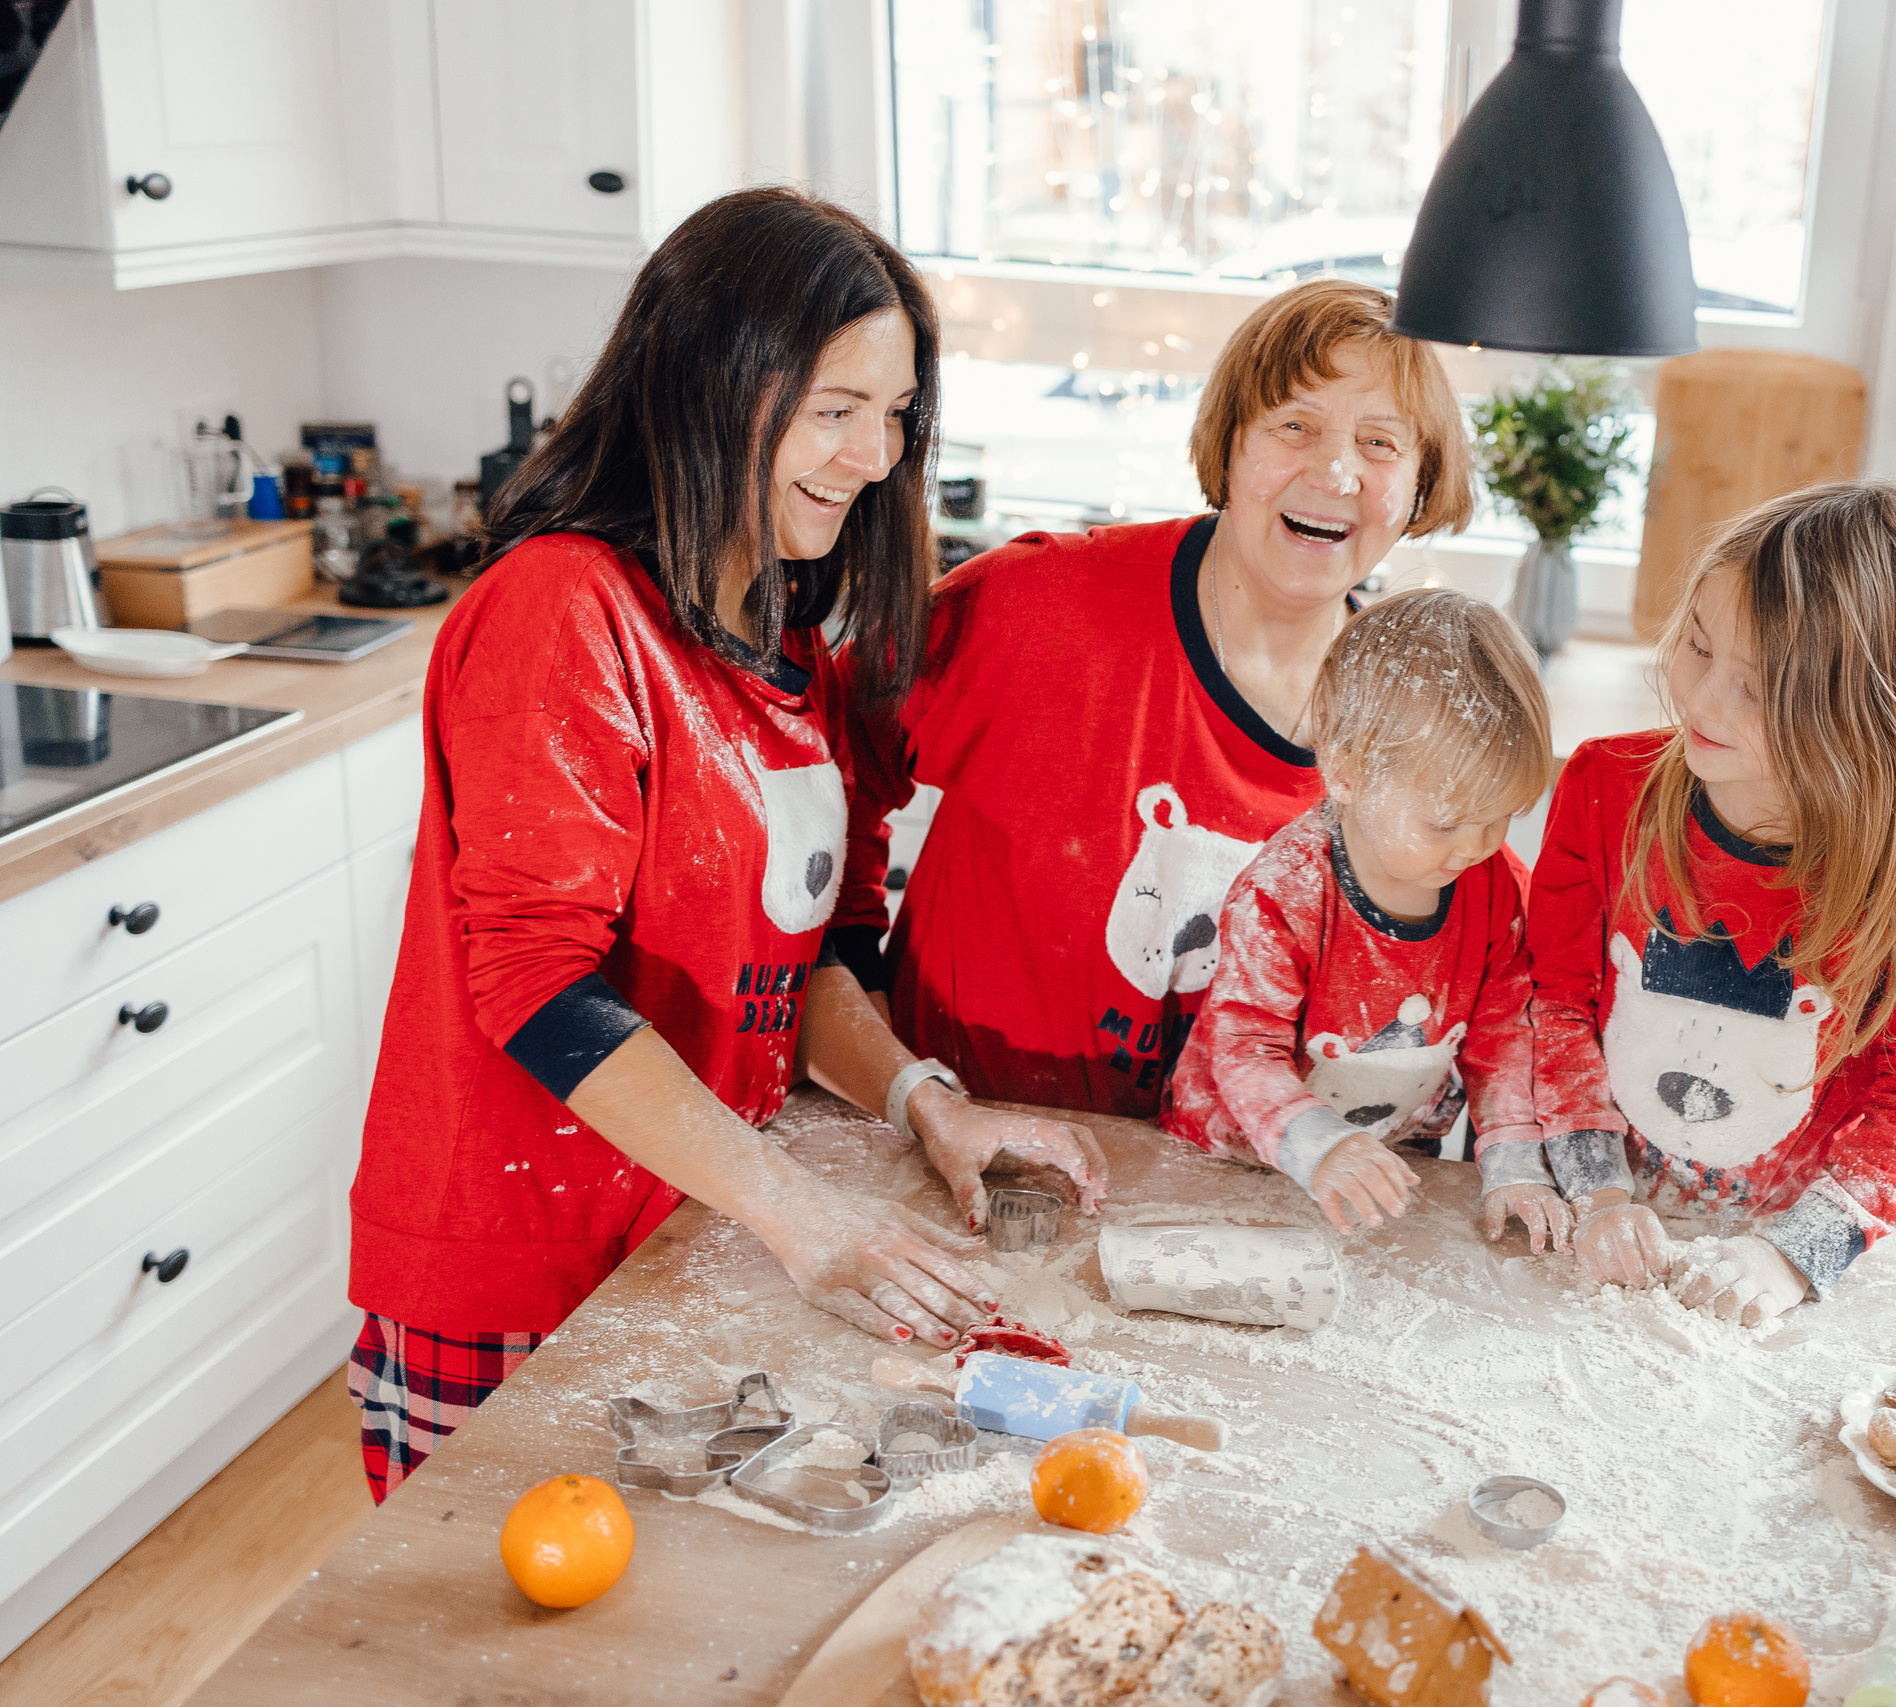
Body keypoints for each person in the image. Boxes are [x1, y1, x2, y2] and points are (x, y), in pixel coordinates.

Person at [344, 190, 1100, 1500]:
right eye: (834, 407)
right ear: (709, 384)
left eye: (897, 413)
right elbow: (535, 985)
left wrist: (927, 1101)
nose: (875, 453)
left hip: (682, 1236)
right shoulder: (565, 611)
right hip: (518, 1264)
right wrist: (801, 1210)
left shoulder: (787, 637)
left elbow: (800, 963)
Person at [875, 279, 1474, 1116]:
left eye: (1380, 444)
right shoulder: (1032, 605)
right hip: (945, 1147)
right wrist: (857, 999)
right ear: (1229, 445)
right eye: (1294, 425)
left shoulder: (1416, 736)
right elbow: (815, 766)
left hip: (1198, 1203)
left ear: (1419, 487)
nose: (1335, 473)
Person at [1526, 481, 1896, 1318]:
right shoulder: (1605, 789)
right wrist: (1598, 1191)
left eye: (1758, 685)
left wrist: (1796, 1253)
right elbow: (1553, 1002)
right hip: (1606, 1234)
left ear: (1863, 713)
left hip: (1779, 1263)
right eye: (1698, 647)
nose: (1701, 700)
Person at [1161, 589, 1598, 1262]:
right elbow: (1244, 1047)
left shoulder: (1496, 884)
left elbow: (1505, 1036)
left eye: (1501, 815)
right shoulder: (1285, 891)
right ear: (1348, 772)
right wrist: (1319, 1142)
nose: (1476, 845)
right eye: (1447, 822)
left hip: (1386, 1163)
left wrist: (1514, 1159)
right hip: (1233, 1160)